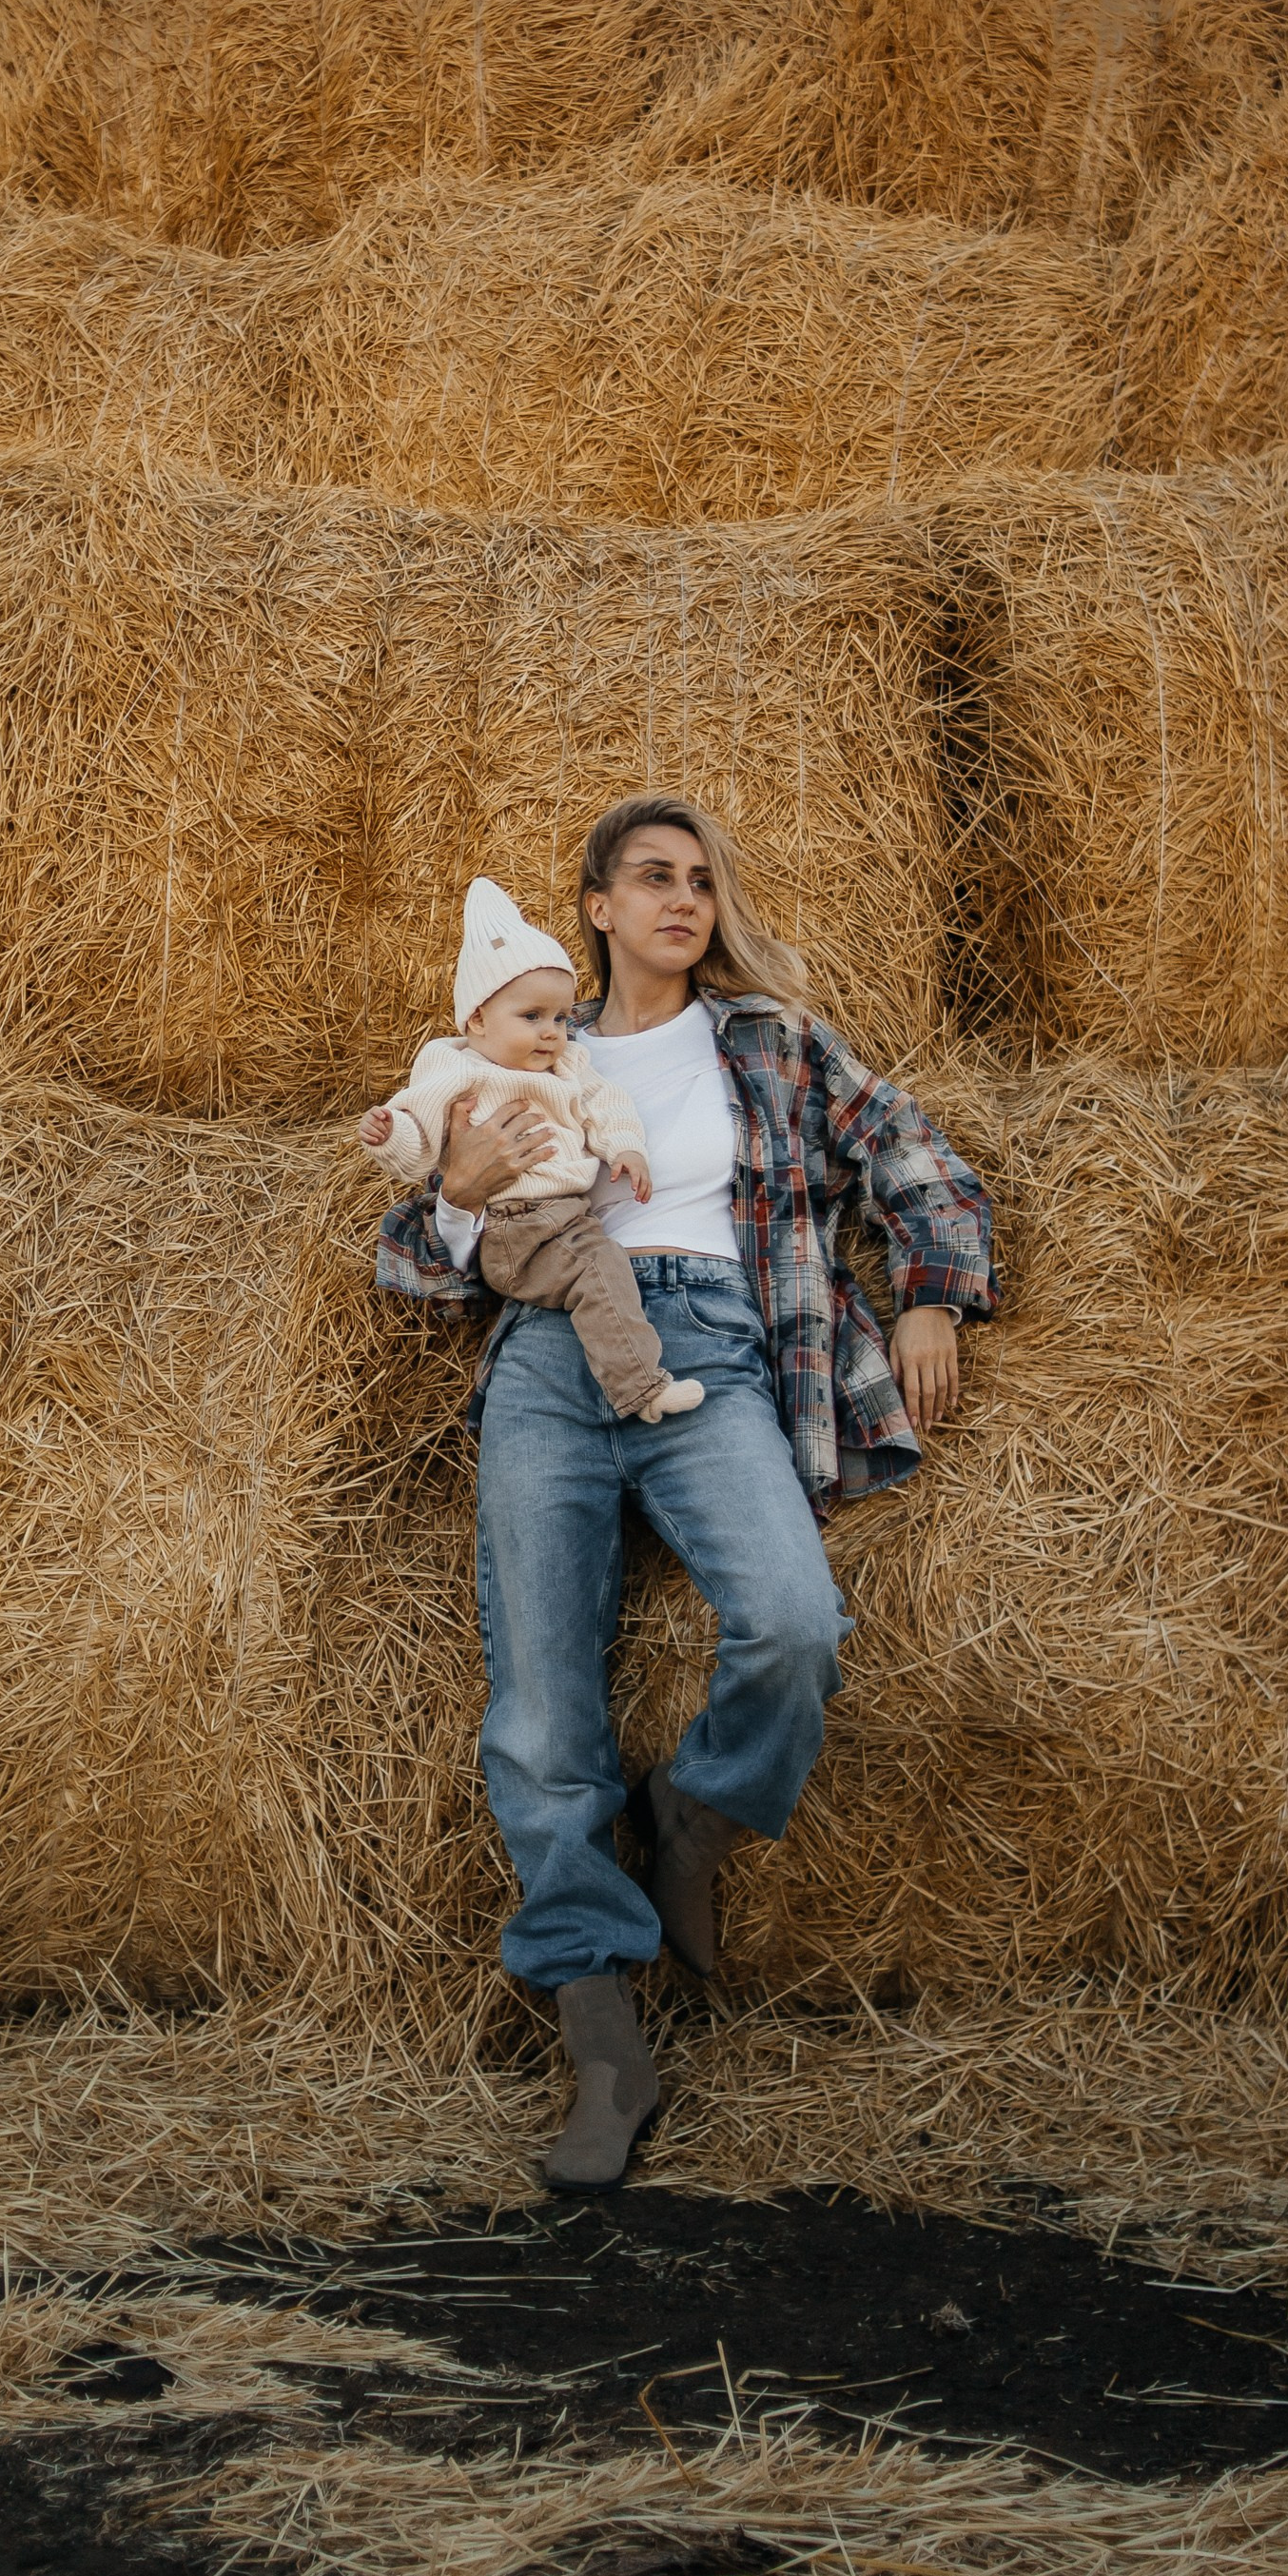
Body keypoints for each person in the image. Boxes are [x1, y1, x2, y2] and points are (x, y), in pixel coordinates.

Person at [377, 795, 994, 2191]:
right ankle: (602, 2037)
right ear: (594, 906)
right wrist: (463, 1199)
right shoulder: (522, 1044)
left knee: (793, 1622)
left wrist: (933, 1300)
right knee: (542, 1708)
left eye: (701, 883)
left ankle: (696, 1815)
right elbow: (409, 1261)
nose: (682, 902)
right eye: (652, 879)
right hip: (548, 1360)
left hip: (713, 1347)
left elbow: (916, 1158)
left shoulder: (766, 1045)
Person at [359, 875, 704, 1425]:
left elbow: (605, 1103)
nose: (552, 1033)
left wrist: (627, 1149)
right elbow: (420, 1136)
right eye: (532, 1017)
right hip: (514, 1226)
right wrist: (389, 1134)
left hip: (566, 1219)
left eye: (562, 1018)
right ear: (477, 1020)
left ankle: (621, 1385)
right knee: (601, 1270)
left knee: (600, 1269)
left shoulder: (567, 1065)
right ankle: (642, 1391)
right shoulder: (455, 1066)